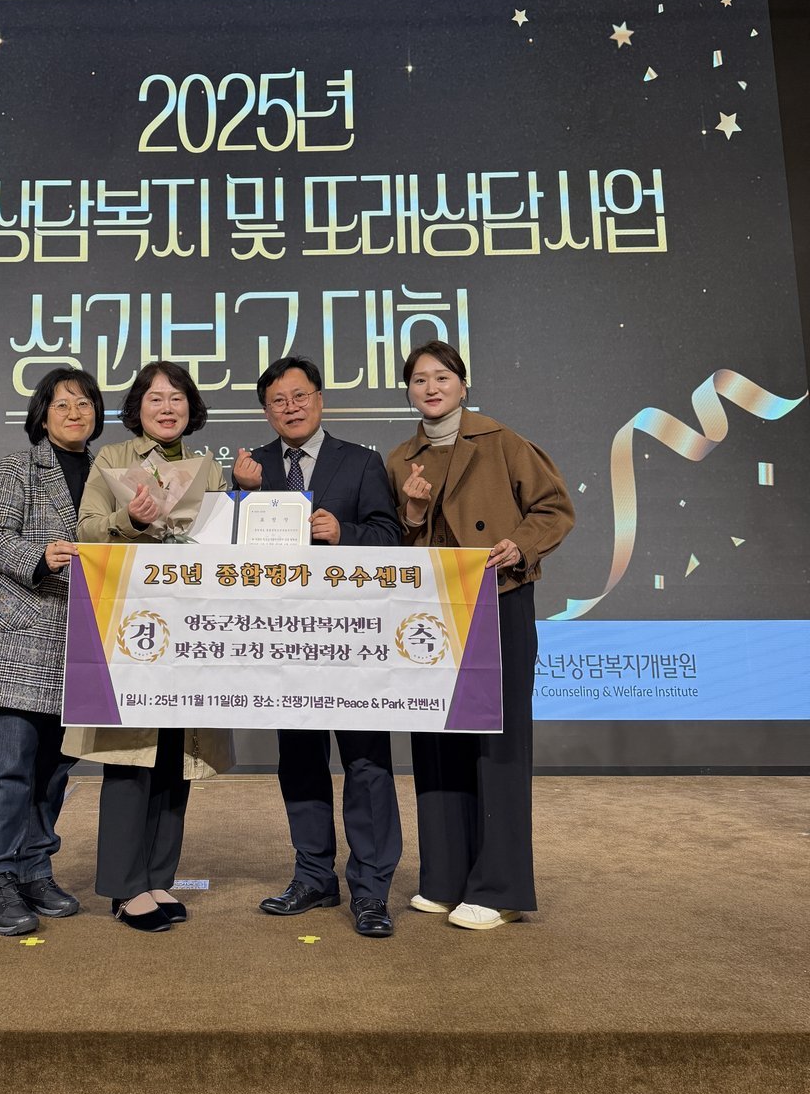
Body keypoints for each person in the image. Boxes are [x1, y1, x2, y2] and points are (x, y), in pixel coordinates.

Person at [387, 341, 574, 931]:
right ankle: (444, 878)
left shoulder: (502, 441)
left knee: (499, 742)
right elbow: (391, 544)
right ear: (409, 391)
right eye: (419, 380)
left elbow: (554, 509)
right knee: (436, 738)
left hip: (498, 601)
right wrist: (413, 515)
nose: (431, 388)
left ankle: (500, 887)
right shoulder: (400, 460)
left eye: (442, 377)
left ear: (463, 385)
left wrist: (521, 545)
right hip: (432, 614)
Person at [233, 355, 403, 938]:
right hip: (283, 643)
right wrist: (241, 495)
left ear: (321, 399)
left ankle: (371, 890)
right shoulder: (252, 468)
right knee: (300, 760)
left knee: (366, 762)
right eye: (278, 401)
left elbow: (390, 537)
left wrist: (344, 533)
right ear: (266, 412)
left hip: (353, 642)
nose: (291, 408)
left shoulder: (361, 461)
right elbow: (226, 553)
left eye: (300, 396)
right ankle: (312, 877)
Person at [69, 359, 232, 932]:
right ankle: (124, 886)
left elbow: (224, 542)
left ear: (192, 408)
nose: (167, 408)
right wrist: (130, 520)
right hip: (131, 625)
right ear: (137, 407)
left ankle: (160, 877)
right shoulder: (113, 459)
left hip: (192, 627)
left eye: (177, 398)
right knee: (130, 754)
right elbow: (86, 528)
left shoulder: (209, 467)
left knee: (176, 753)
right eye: (156, 398)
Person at [0, 366, 106, 937]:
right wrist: (39, 555)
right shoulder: (18, 467)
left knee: (53, 771)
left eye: (85, 403)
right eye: (62, 404)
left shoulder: (106, 474)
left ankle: (34, 869)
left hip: (82, 647)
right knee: (8, 770)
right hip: (19, 641)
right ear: (42, 415)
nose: (75, 413)